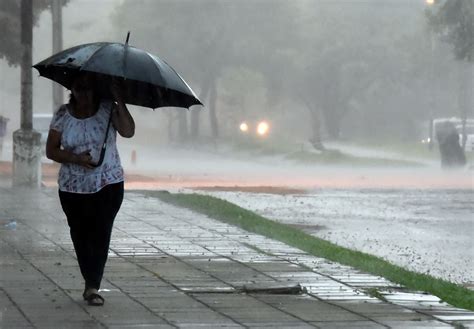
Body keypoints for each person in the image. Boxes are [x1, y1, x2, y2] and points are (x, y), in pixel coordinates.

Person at [46, 72, 135, 306]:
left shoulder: (108, 109)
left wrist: (119, 100)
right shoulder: (63, 115)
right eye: (79, 88)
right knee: (81, 234)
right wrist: (75, 158)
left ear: (96, 89)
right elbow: (51, 150)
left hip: (108, 183)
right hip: (73, 188)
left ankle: (92, 285)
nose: (84, 93)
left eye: (88, 88)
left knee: (101, 232)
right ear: (71, 90)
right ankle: (90, 278)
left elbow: (128, 131)